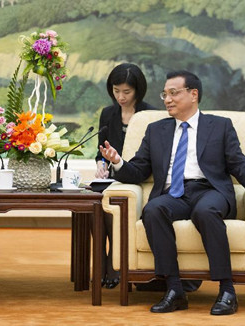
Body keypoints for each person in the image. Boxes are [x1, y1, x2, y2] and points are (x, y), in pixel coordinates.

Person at [99, 70, 245, 315]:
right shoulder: (156, 130)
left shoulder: (219, 126)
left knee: (206, 211)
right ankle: (174, 290)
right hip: (174, 193)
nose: (167, 99)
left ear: (193, 94)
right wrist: (117, 161)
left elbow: (238, 162)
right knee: (153, 209)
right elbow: (138, 170)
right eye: (165, 94)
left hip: (209, 190)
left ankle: (226, 290)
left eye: (173, 93)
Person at [94, 63, 155, 289]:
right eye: (116, 90)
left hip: (137, 178)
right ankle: (100, 262)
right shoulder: (108, 114)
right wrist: (101, 163)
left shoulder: (150, 115)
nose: (120, 96)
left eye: (126, 92)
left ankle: (114, 263)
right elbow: (100, 149)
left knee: (113, 208)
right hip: (111, 178)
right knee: (93, 209)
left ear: (138, 90)